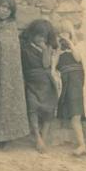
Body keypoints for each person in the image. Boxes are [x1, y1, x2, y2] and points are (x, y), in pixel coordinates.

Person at [54, 19, 86, 156]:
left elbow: (78, 58)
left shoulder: (79, 45)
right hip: (68, 83)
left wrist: (71, 44)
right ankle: (81, 145)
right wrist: (58, 51)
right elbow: (53, 66)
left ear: (71, 32)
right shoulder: (57, 49)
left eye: (65, 32)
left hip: (81, 82)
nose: (63, 35)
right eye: (60, 32)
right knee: (75, 115)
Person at [0, 0, 30, 147]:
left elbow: (14, 51)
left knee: (9, 102)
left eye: (8, 8)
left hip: (11, 73)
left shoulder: (12, 27)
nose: (4, 11)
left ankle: (7, 137)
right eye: (2, 7)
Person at [21, 19, 59, 154]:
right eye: (38, 35)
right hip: (32, 81)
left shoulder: (48, 48)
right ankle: (37, 136)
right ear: (32, 34)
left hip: (46, 82)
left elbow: (46, 65)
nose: (40, 39)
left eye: (44, 36)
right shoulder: (25, 47)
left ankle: (44, 137)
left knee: (49, 109)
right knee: (32, 108)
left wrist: (45, 50)